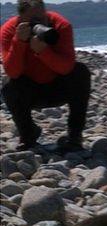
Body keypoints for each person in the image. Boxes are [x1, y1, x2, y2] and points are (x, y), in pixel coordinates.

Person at [1, 0, 90, 152]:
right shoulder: (9, 30)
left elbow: (67, 67)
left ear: (45, 12)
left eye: (40, 20)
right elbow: (13, 72)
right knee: (9, 86)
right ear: (20, 18)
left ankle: (74, 136)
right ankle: (28, 135)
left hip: (58, 87)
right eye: (31, 21)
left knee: (80, 72)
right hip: (30, 91)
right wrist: (19, 42)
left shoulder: (61, 25)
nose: (37, 25)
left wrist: (43, 52)